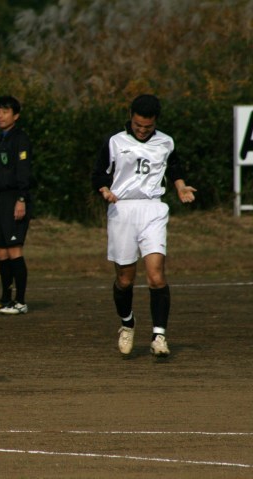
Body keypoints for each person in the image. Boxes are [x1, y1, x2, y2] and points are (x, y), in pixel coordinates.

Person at [91, 94, 196, 358]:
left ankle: (159, 336)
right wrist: (104, 190)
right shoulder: (115, 141)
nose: (142, 130)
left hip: (153, 208)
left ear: (155, 122)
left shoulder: (166, 142)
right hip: (122, 209)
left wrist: (181, 187)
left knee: (156, 276)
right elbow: (98, 173)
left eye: (148, 126)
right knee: (125, 280)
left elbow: (174, 167)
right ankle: (127, 323)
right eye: (138, 125)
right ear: (131, 117)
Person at [0, 95, 33, 316]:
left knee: (14, 250)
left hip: (16, 198)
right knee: (0, 251)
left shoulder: (20, 139)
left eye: (4, 111)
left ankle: (20, 301)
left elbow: (24, 171)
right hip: (3, 200)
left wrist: (21, 199)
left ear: (16, 115)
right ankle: (5, 299)